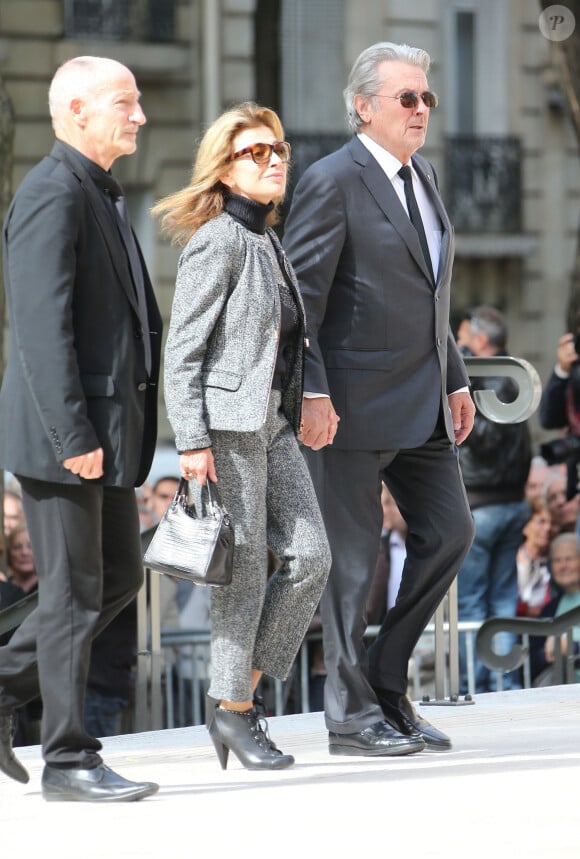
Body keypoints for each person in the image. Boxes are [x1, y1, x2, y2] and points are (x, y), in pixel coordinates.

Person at [283, 42, 474, 755]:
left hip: (423, 401)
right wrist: (312, 391)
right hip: (348, 408)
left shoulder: (423, 174)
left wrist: (455, 376)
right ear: (364, 107)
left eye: (426, 98)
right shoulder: (333, 180)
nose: (421, 110)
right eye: (407, 98)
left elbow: (431, 292)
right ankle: (350, 717)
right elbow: (300, 299)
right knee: (352, 565)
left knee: (451, 532)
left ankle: (385, 683)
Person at [0, 56, 162, 802]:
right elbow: (38, 331)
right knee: (71, 595)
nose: (140, 116)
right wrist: (72, 435)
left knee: (121, 576)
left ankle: (4, 685)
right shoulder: (51, 192)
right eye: (124, 103)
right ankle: (67, 758)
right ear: (75, 110)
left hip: (106, 437)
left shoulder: (98, 189)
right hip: (65, 437)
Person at [153, 102, 331, 770]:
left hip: (274, 425)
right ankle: (234, 713)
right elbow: (184, 351)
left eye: (278, 147)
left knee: (311, 557)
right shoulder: (218, 240)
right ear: (225, 169)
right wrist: (191, 440)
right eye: (257, 152)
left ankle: (236, 698)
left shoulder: (268, 239)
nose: (275, 159)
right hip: (227, 430)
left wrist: (309, 396)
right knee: (244, 573)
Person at [455, 306, 532, 693]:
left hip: (484, 507)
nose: (458, 344)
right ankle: (506, 684)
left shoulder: (485, 375)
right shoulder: (515, 375)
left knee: (472, 603)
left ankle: (479, 687)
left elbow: (481, 438)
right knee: (501, 601)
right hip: (511, 503)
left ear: (481, 341)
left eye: (464, 337)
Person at [529, 532, 580, 685]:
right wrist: (546, 654)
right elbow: (531, 660)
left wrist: (573, 648)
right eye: (557, 560)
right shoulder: (550, 608)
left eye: (569, 559)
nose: (563, 566)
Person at [516, 497, 553, 618]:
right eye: (541, 521)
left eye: (550, 523)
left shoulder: (553, 562)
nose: (548, 528)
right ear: (525, 526)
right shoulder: (511, 561)